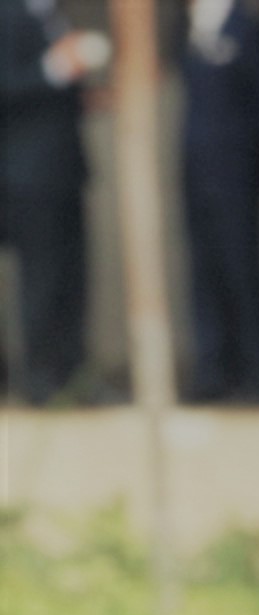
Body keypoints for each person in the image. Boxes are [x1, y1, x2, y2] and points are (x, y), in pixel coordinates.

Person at [179, 0, 259, 401]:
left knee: (243, 273)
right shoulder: (186, 29)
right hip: (197, 172)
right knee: (204, 274)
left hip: (237, 173)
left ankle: (258, 373)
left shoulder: (246, 28)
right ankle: (213, 371)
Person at [0, 0, 98, 401]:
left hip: (64, 171)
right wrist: (54, 69)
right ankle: (42, 381)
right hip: (26, 175)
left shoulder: (52, 13)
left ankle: (73, 375)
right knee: (41, 280)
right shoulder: (8, 13)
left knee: (70, 279)